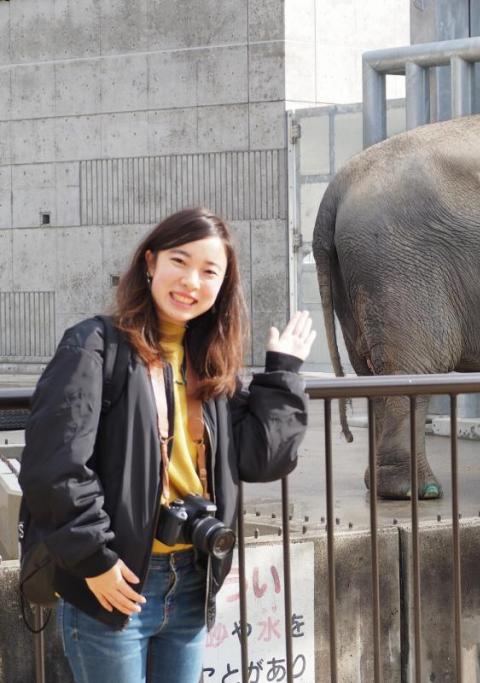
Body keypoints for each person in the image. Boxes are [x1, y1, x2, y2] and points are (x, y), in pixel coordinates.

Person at [18, 207, 314, 682]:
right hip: (115, 582)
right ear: (150, 262)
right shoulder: (95, 345)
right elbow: (55, 466)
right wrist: (95, 560)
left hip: (194, 580)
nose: (191, 280)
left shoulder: (210, 364)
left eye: (209, 271)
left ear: (222, 287)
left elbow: (262, 459)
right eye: (180, 261)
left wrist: (282, 374)